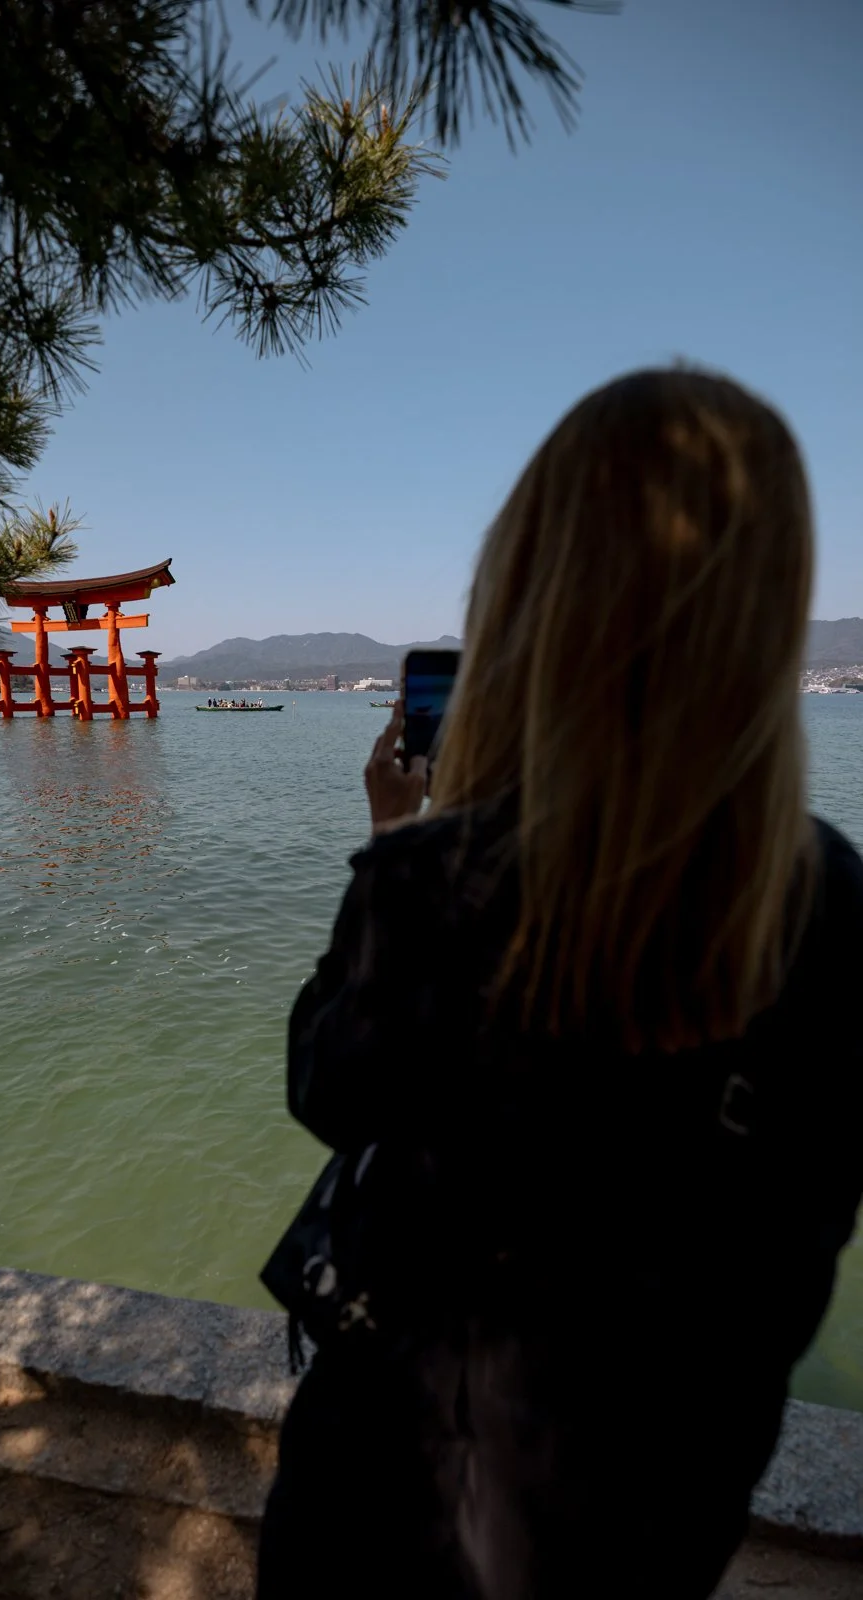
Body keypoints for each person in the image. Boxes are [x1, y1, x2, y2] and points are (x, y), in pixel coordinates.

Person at [256, 368, 863, 1600]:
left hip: (390, 1506)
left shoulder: (442, 876)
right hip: (654, 1510)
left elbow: (326, 1085)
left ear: (530, 594)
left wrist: (396, 840)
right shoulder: (830, 894)